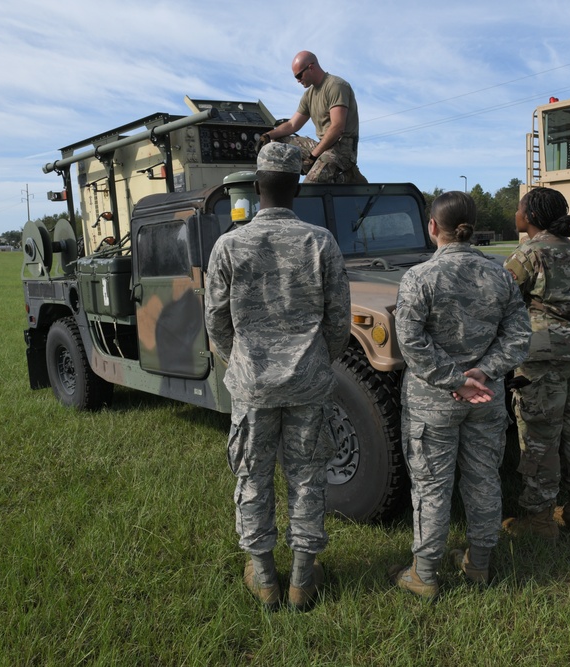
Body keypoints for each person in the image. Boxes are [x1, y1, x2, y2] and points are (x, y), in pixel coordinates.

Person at [204, 142, 351, 611]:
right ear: (296, 187)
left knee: (253, 476)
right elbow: (339, 320)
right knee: (308, 477)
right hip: (308, 381)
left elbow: (216, 321)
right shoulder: (320, 241)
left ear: (256, 187)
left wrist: (242, 362)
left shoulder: (229, 244)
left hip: (253, 384)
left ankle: (265, 579)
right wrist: (315, 362)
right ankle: (302, 580)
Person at [391, 192, 530, 599]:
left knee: (432, 487)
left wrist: (454, 380)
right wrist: (481, 373)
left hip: (433, 404)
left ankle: (425, 575)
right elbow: (519, 336)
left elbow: (410, 342)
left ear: (433, 227)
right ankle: (479, 564)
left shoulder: (420, 277)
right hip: (486, 397)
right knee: (483, 478)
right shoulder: (500, 274)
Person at [503, 187, 570, 539]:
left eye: (518, 208)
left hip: (545, 352)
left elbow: (502, 300)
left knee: (541, 433)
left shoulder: (529, 252)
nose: (515, 213)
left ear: (529, 216)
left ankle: (540, 520)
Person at [255, 50, 366, 184]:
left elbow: (337, 127)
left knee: (309, 187)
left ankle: (348, 174)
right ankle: (284, 183)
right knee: (278, 141)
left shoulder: (336, 86)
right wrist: (268, 135)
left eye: (299, 75)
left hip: (342, 150)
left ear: (311, 67)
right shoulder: (309, 96)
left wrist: (312, 158)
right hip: (324, 146)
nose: (298, 80)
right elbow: (292, 125)